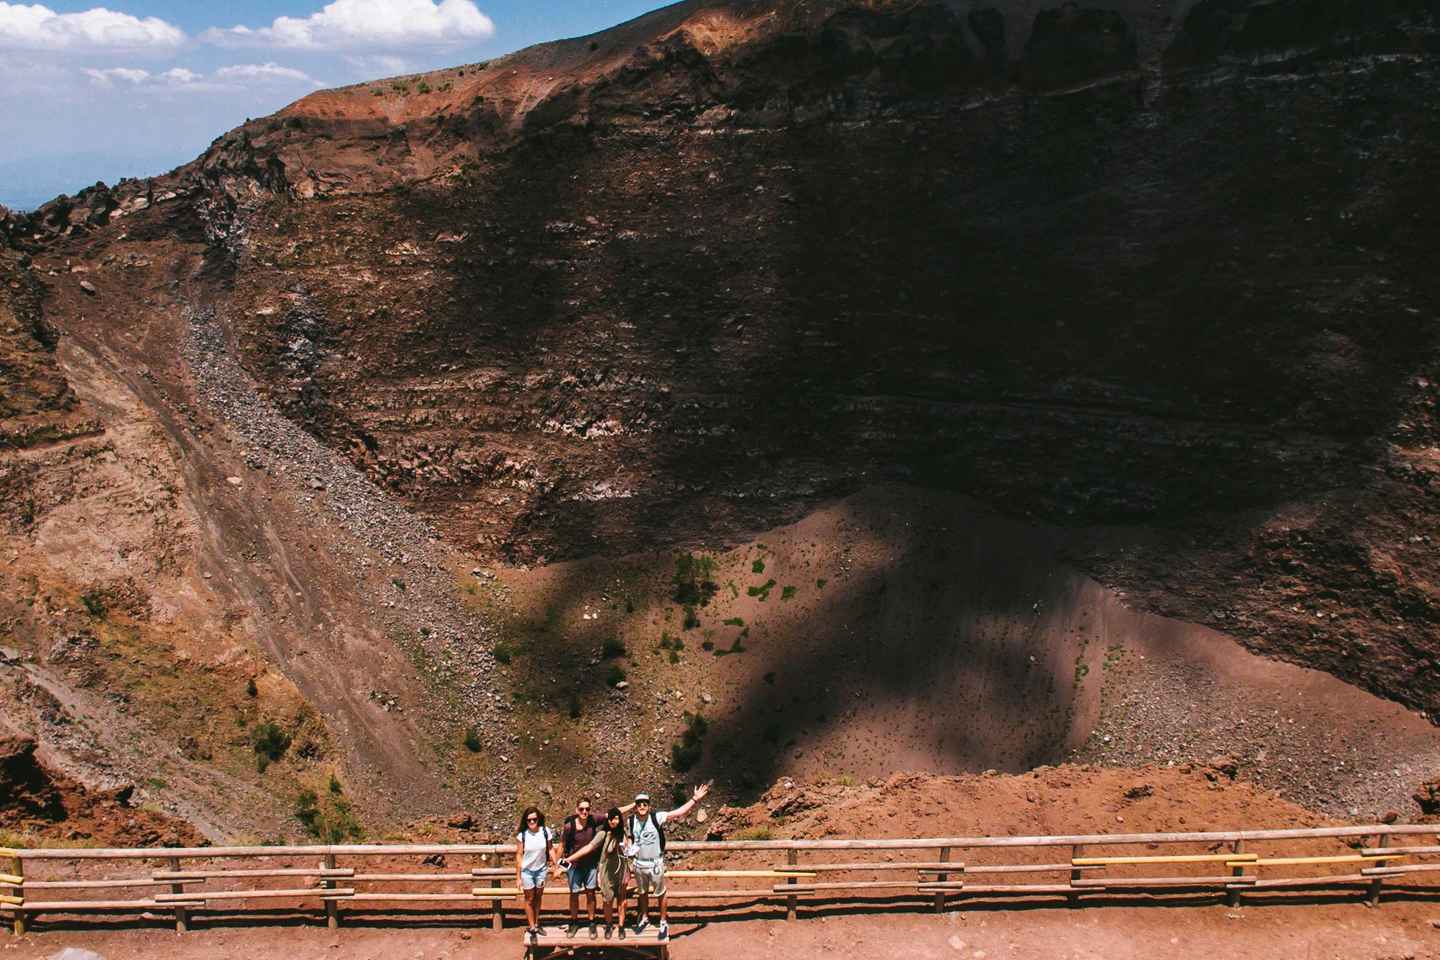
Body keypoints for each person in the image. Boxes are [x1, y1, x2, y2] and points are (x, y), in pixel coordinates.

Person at [628, 783, 709, 940]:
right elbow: (631, 838)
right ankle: (645, 917)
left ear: (649, 806)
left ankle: (663, 921)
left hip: (655, 863)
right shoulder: (631, 821)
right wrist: (629, 848)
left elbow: (678, 813)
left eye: (645, 803)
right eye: (639, 804)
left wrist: (695, 799)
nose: (642, 806)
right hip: (639, 863)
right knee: (642, 892)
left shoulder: (656, 817)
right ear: (635, 807)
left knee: (660, 893)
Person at [560, 806, 632, 940]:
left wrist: (629, 849)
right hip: (606, 872)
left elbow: (630, 848)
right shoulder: (603, 834)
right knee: (607, 901)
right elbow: (588, 848)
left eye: (616, 818)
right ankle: (609, 924)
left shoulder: (624, 833)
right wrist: (566, 861)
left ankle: (621, 926)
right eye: (611, 818)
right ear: (608, 820)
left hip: (622, 871)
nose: (613, 821)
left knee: (622, 900)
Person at [558, 797, 603, 936]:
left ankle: (591, 921)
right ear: (577, 810)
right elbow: (562, 846)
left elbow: (614, 814)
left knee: (591, 893)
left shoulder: (593, 820)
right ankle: (574, 922)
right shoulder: (569, 826)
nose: (584, 811)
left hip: (590, 864)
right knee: (574, 894)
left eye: (587, 809)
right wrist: (558, 865)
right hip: (574, 865)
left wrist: (633, 805)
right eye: (582, 809)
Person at [514, 806, 556, 942]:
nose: (532, 822)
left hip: (541, 870)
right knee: (529, 898)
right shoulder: (523, 835)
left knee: (538, 896)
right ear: (525, 821)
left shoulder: (545, 832)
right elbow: (519, 855)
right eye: (529, 820)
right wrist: (518, 877)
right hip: (527, 871)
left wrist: (556, 863)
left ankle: (537, 924)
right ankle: (531, 926)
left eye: (534, 819)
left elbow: (550, 849)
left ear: (539, 819)